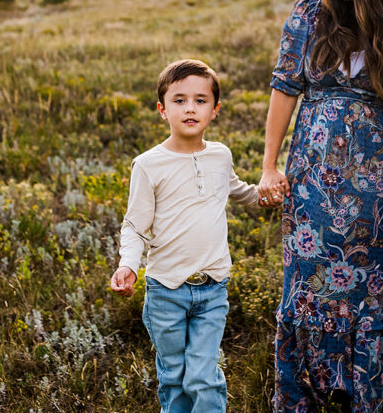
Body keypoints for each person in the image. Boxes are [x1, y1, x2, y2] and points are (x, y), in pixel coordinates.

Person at [257, 0, 383, 413]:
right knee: (307, 290)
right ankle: (301, 401)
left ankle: (360, 398)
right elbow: (284, 90)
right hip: (312, 186)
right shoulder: (309, 15)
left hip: (378, 194)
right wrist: (270, 166)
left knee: (370, 296)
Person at [109, 58, 276, 413]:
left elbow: (238, 190)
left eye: (200, 100)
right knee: (175, 376)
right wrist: (128, 265)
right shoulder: (148, 164)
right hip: (165, 291)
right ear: (162, 109)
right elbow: (135, 227)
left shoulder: (220, 155)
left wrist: (268, 194)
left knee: (203, 376)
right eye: (179, 99)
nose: (190, 108)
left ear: (215, 110)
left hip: (212, 287)